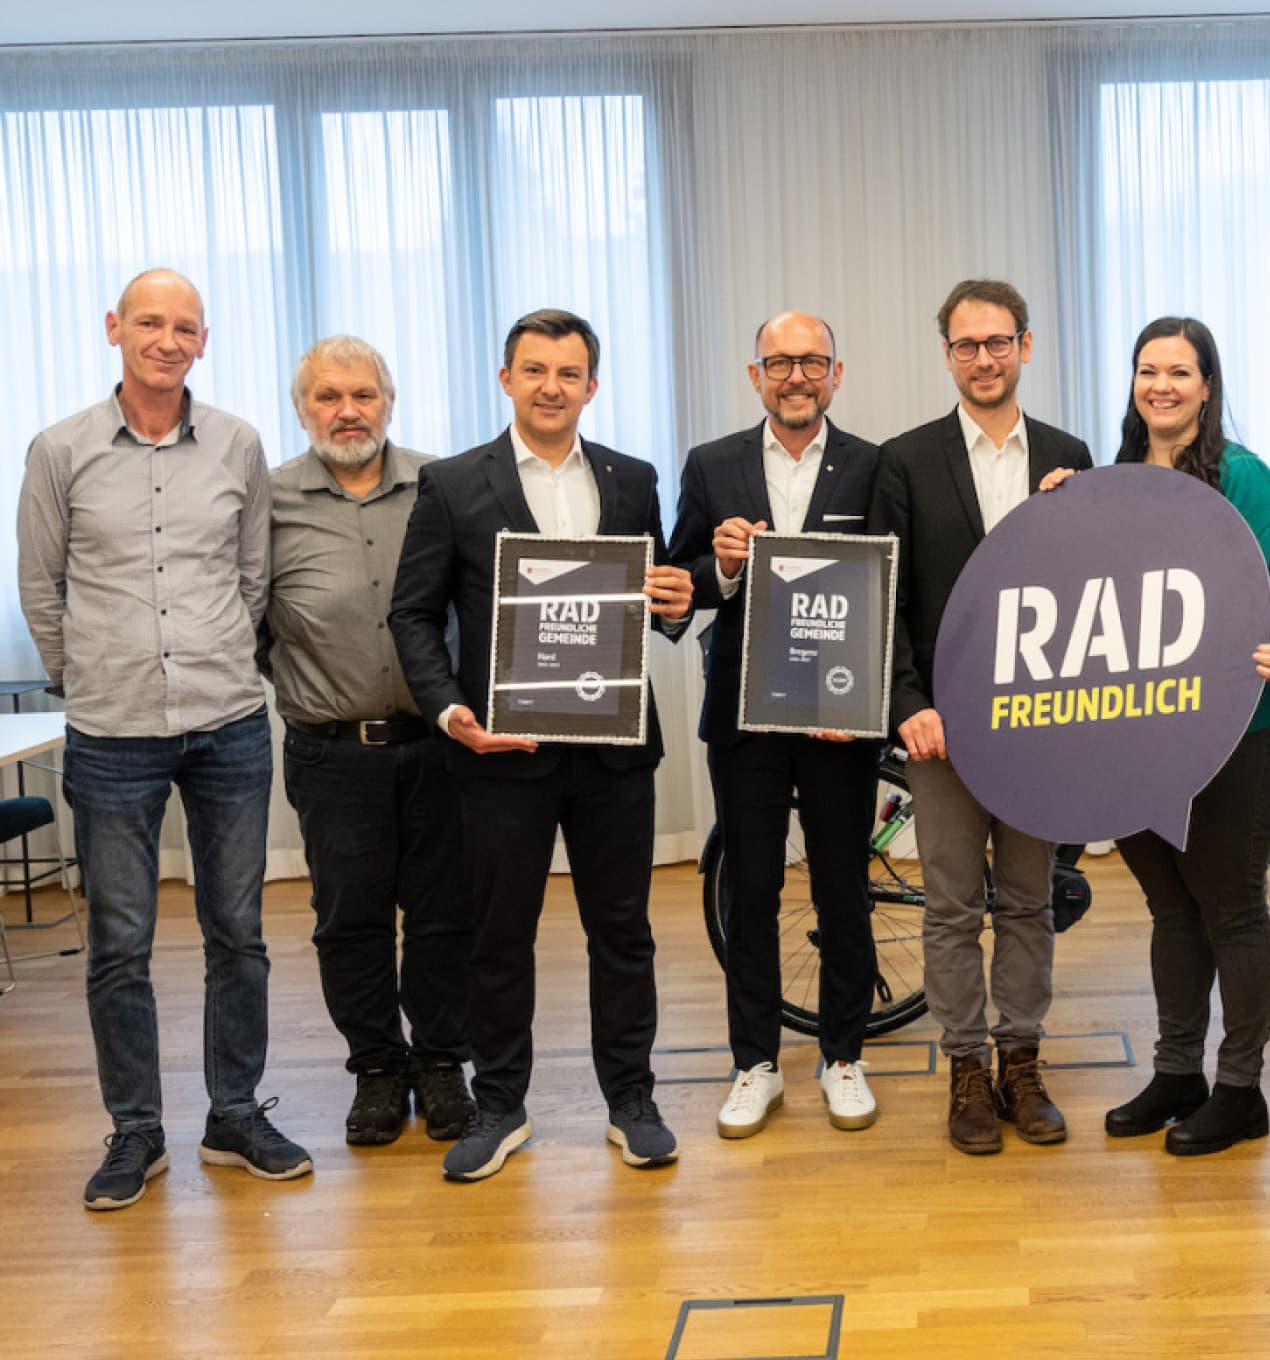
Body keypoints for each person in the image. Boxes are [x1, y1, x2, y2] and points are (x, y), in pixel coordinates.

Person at [19, 268, 310, 1211]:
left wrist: (219, 657)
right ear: (115, 328)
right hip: (112, 734)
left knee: (239, 934)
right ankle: (136, 1130)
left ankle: (235, 1114)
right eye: (150, 321)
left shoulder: (237, 443)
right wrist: (85, 676)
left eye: (185, 326)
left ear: (203, 341)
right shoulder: (58, 449)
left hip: (228, 725)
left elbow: (253, 578)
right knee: (119, 943)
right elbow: (41, 588)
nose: (167, 339)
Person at [388, 308, 695, 1182]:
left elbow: (651, 604)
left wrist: (676, 603)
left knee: (623, 935)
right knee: (497, 938)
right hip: (501, 754)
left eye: (568, 373)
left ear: (591, 386)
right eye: (534, 370)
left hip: (613, 755)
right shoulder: (453, 483)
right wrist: (450, 711)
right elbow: (412, 614)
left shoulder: (632, 479)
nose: (551, 387)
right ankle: (500, 1105)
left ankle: (631, 1100)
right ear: (506, 379)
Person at [1040, 318, 1270, 1156]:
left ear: (1207, 386)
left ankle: (1241, 1090)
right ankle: (1178, 1072)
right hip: (1137, 735)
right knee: (1171, 908)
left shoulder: (1242, 474)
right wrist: (1057, 511)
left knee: (1230, 906)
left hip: (1239, 731)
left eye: (1180, 372)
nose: (1162, 386)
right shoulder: (1110, 482)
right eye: (1148, 370)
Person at [869, 279, 1093, 1154]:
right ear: (948, 356)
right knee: (952, 906)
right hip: (945, 728)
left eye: (999, 342)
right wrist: (908, 704)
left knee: (1030, 903)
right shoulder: (906, 460)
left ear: (1025, 346)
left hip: (1041, 724)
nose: (984, 358)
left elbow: (1097, 590)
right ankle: (966, 1069)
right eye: (966, 345)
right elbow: (889, 595)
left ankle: (1021, 1065)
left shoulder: (1070, 455)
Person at [669, 311, 883, 1139]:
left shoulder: (873, 465)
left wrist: (872, 698)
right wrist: (721, 567)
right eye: (780, 362)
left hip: (840, 715)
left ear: (837, 373)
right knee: (750, 889)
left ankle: (843, 1057)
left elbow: (891, 583)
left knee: (844, 887)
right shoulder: (711, 464)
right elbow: (678, 583)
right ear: (754, 374)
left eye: (812, 362)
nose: (797, 376)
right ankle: (753, 1063)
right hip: (745, 715)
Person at [263, 336, 473, 1148]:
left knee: (444, 915)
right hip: (331, 752)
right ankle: (378, 1068)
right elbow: (249, 619)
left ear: (390, 401)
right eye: (328, 396)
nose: (347, 411)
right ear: (302, 408)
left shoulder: (443, 485)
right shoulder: (268, 501)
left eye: (363, 394)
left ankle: (442, 1061)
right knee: (349, 920)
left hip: (439, 744)